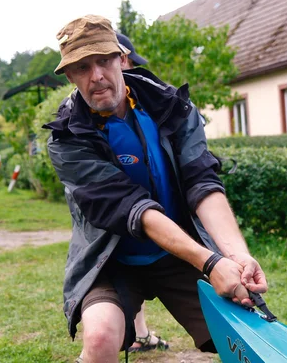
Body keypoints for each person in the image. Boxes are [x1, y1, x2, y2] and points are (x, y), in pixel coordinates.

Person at [44, 15, 268, 363]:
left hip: (178, 255)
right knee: (101, 334)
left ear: (122, 58)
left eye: (103, 61)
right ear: (70, 76)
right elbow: (133, 209)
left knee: (247, 331)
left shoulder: (170, 106)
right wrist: (210, 264)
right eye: (82, 67)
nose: (96, 76)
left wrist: (234, 255)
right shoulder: (67, 138)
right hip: (111, 260)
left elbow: (202, 181)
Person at [115, 32, 169, 353]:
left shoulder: (144, 105)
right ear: (122, 59)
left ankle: (141, 334)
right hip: (126, 219)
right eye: (132, 63)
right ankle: (135, 335)